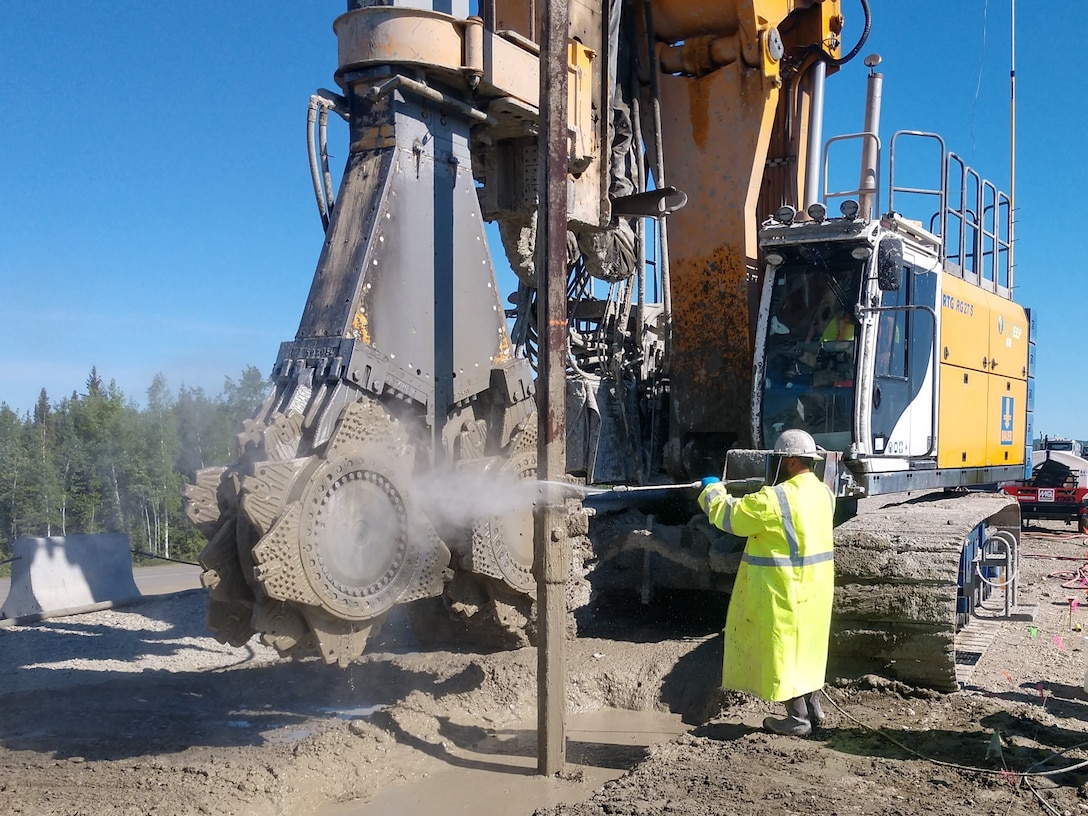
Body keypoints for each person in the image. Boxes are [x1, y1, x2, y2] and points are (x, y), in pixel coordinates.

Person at [698, 429, 836, 736]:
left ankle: (797, 719)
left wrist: (711, 492)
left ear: (787, 462)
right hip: (816, 589)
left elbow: (731, 516)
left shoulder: (776, 499)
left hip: (784, 590)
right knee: (808, 649)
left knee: (785, 650)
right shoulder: (824, 493)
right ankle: (815, 710)